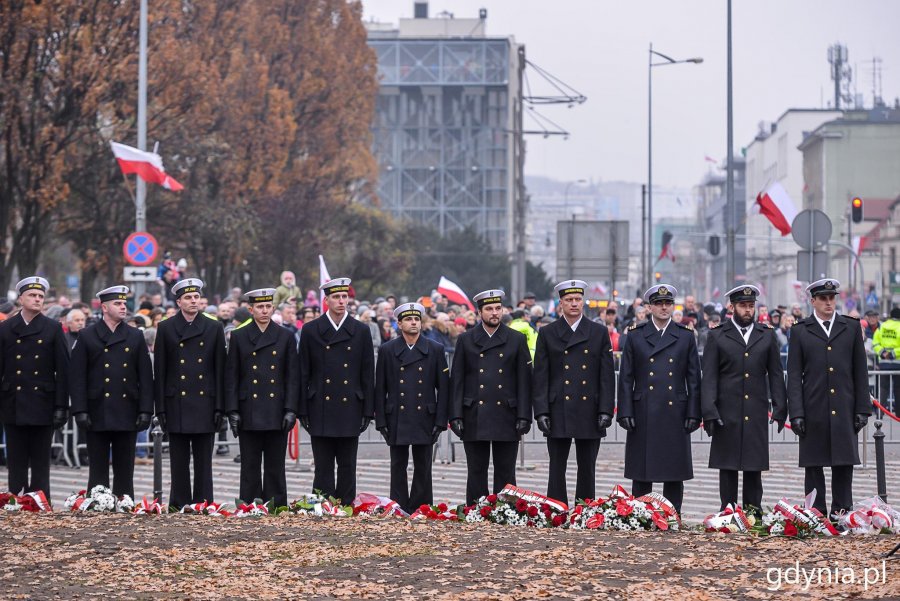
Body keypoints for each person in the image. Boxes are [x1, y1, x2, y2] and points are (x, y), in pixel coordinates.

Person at [787, 278, 870, 520]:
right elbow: (794, 376)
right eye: (823, 298)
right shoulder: (801, 330)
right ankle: (816, 513)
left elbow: (860, 371)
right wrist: (797, 413)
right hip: (813, 407)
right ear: (813, 301)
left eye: (832, 298)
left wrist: (862, 408)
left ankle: (842, 512)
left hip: (844, 406)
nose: (828, 303)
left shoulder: (851, 327)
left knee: (843, 464)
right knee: (813, 465)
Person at [700, 285, 787, 513]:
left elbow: (776, 374)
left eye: (751, 306)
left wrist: (780, 407)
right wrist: (709, 411)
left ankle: (753, 511)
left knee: (753, 465)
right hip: (726, 411)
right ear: (732, 307)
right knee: (727, 466)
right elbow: (709, 376)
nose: (748, 310)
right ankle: (727, 512)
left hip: (755, 409)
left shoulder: (766, 335)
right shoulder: (717, 335)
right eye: (743, 306)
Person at [616, 284, 700, 514]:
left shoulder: (685, 336)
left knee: (674, 471)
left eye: (668, 303)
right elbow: (626, 378)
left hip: (675, 410)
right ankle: (641, 515)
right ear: (650, 307)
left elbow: (694, 379)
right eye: (659, 304)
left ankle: (673, 516)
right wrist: (624, 411)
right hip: (643, 409)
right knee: (642, 470)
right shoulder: (636, 335)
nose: (664, 308)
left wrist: (694, 412)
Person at [532, 280, 615, 505]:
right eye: (569, 300)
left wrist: (606, 409)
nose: (574, 304)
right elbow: (541, 376)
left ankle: (584, 508)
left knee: (587, 465)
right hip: (558, 406)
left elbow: (606, 375)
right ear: (561, 304)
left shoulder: (598, 332)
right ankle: (556, 508)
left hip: (589, 407)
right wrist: (541, 411)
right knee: (557, 465)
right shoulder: (548, 332)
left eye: (578, 299)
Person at [449, 289, 532, 506]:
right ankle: (476, 509)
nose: (494, 313)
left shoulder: (516, 339)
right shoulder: (466, 340)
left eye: (498, 308)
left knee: (506, 469)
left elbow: (524, 381)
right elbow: (457, 380)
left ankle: (506, 511)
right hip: (474, 412)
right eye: (489, 309)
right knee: (476, 469)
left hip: (507, 412)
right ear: (479, 312)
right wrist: (455, 414)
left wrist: (525, 414)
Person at [69, 286, 153, 498]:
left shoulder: (134, 336)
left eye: (124, 303)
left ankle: (124, 503)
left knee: (125, 466)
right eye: (118, 303)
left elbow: (145, 376)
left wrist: (145, 410)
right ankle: (98, 503)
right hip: (97, 409)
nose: (123, 306)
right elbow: (77, 377)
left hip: (127, 409)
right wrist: (80, 410)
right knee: (97, 466)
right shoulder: (87, 335)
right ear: (104, 307)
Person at [298, 278, 374, 503]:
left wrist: (368, 411)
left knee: (347, 463)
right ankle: (322, 504)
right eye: (336, 297)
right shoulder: (311, 330)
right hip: (320, 404)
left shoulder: (360, 331)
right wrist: (302, 410)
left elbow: (367, 374)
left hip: (350, 404)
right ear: (326, 300)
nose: (342, 301)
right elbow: (304, 373)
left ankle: (346, 504)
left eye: (345, 297)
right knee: (322, 464)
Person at [153, 279, 227, 507]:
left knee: (204, 460)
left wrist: (219, 407)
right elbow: (161, 371)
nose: (193, 301)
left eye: (196, 297)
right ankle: (179, 502)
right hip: (177, 403)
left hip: (205, 402)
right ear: (178, 302)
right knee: (179, 459)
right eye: (188, 297)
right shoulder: (165, 328)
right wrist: (161, 409)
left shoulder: (213, 327)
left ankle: (204, 502)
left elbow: (219, 370)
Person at [224, 288, 298, 506]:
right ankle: (250, 504)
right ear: (250, 310)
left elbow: (292, 376)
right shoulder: (239, 337)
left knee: (276, 464)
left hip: (276, 409)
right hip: (250, 409)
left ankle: (276, 504)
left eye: (268, 306)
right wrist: (232, 411)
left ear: (273, 308)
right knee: (250, 464)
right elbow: (232, 376)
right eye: (260, 307)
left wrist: (291, 409)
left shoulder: (285, 336)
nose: (264, 311)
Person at [374, 303, 449, 513]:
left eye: (416, 319)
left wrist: (441, 420)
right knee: (398, 465)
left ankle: (421, 506)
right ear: (399, 323)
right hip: (396, 415)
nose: (414, 322)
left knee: (423, 466)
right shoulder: (388, 350)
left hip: (424, 415)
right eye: (408, 319)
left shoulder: (435, 349)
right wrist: (381, 421)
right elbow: (380, 387)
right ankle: (397, 506)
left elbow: (443, 388)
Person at [0, 277, 69, 496]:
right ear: (20, 298)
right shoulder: (6, 328)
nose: (38, 299)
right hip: (13, 402)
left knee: (41, 461)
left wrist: (61, 406)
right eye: (32, 295)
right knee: (16, 459)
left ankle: (40, 502)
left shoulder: (53, 328)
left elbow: (64, 371)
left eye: (41, 296)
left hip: (43, 403)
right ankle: (16, 500)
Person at [872, 307, 900, 407]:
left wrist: (883, 353)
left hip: (883, 363)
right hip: (898, 364)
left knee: (883, 388)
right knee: (898, 389)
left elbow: (875, 343)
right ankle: (898, 415)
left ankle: (880, 412)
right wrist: (892, 354)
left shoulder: (882, 326)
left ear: (890, 316)